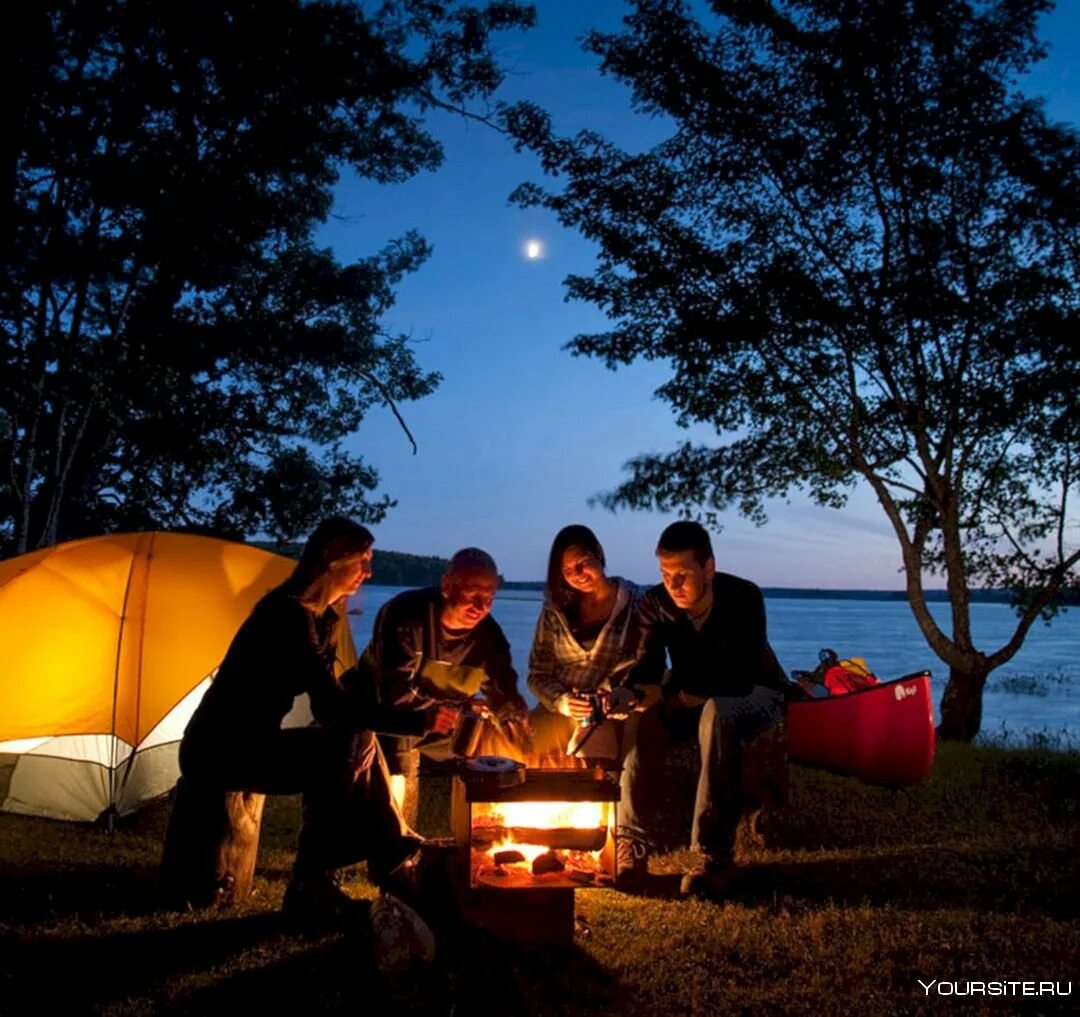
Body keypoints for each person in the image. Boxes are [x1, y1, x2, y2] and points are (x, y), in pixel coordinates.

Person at [177, 517, 456, 921]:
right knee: (342, 745)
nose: (368, 572)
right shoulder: (287, 615)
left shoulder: (321, 617)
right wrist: (417, 722)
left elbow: (335, 697)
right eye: (362, 560)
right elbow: (330, 708)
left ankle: (387, 855)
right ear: (330, 559)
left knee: (355, 739)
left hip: (252, 741)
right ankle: (315, 882)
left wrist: (383, 711)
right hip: (218, 750)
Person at [616, 520, 789, 898]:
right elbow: (646, 668)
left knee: (718, 711)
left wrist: (674, 698)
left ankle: (714, 857)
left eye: (682, 575)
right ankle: (631, 844)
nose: (673, 585)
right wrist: (626, 696)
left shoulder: (744, 597)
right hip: (692, 695)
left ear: (708, 567)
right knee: (641, 720)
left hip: (756, 692)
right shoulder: (655, 604)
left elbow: (739, 676)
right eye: (666, 575)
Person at [355, 548, 530, 817]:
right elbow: (393, 695)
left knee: (491, 744)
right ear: (447, 587)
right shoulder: (405, 616)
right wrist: (445, 713)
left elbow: (503, 692)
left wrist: (513, 719)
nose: (481, 606)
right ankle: (395, 828)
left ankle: (481, 825)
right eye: (472, 593)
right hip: (382, 717)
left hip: (443, 721)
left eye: (489, 596)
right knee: (399, 744)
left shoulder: (490, 638)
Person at [526, 524, 645, 766]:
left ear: (598, 553)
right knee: (520, 748)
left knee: (604, 763)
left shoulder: (636, 605)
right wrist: (563, 701)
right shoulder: (555, 610)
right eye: (568, 570)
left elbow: (647, 664)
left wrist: (622, 693)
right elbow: (537, 674)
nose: (578, 574)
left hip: (614, 710)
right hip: (561, 711)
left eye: (582, 563)